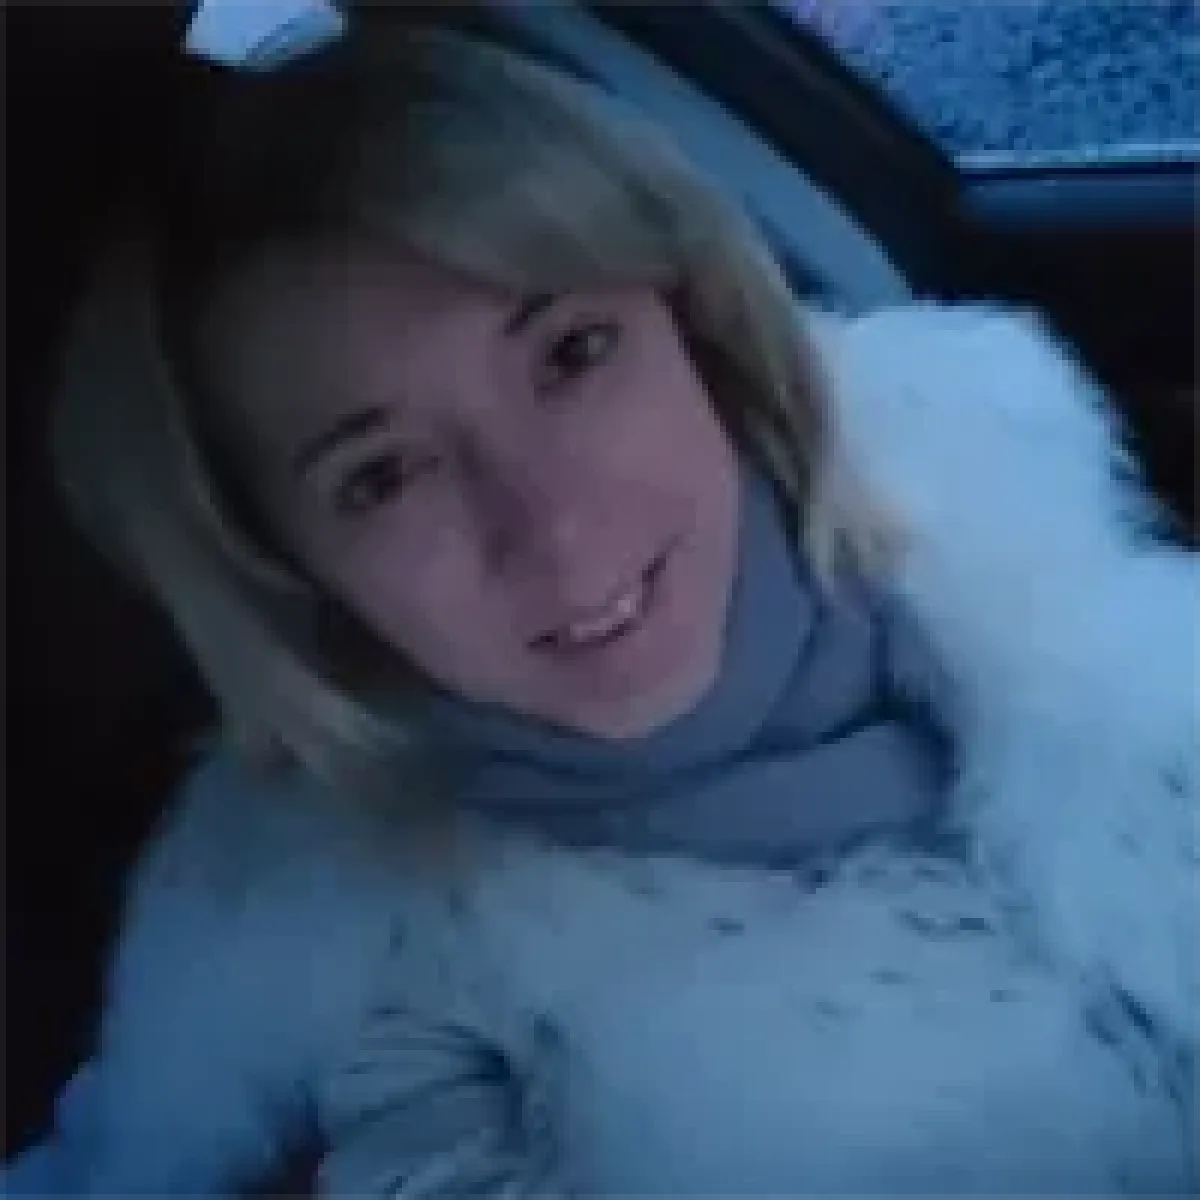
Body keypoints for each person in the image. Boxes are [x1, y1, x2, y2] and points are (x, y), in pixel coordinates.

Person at [3, 19, 1198, 1200]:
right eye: (384, 476)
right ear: (285, 567)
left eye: (573, 354)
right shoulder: (342, 980)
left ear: (697, 327)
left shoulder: (1009, 506)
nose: (556, 530)